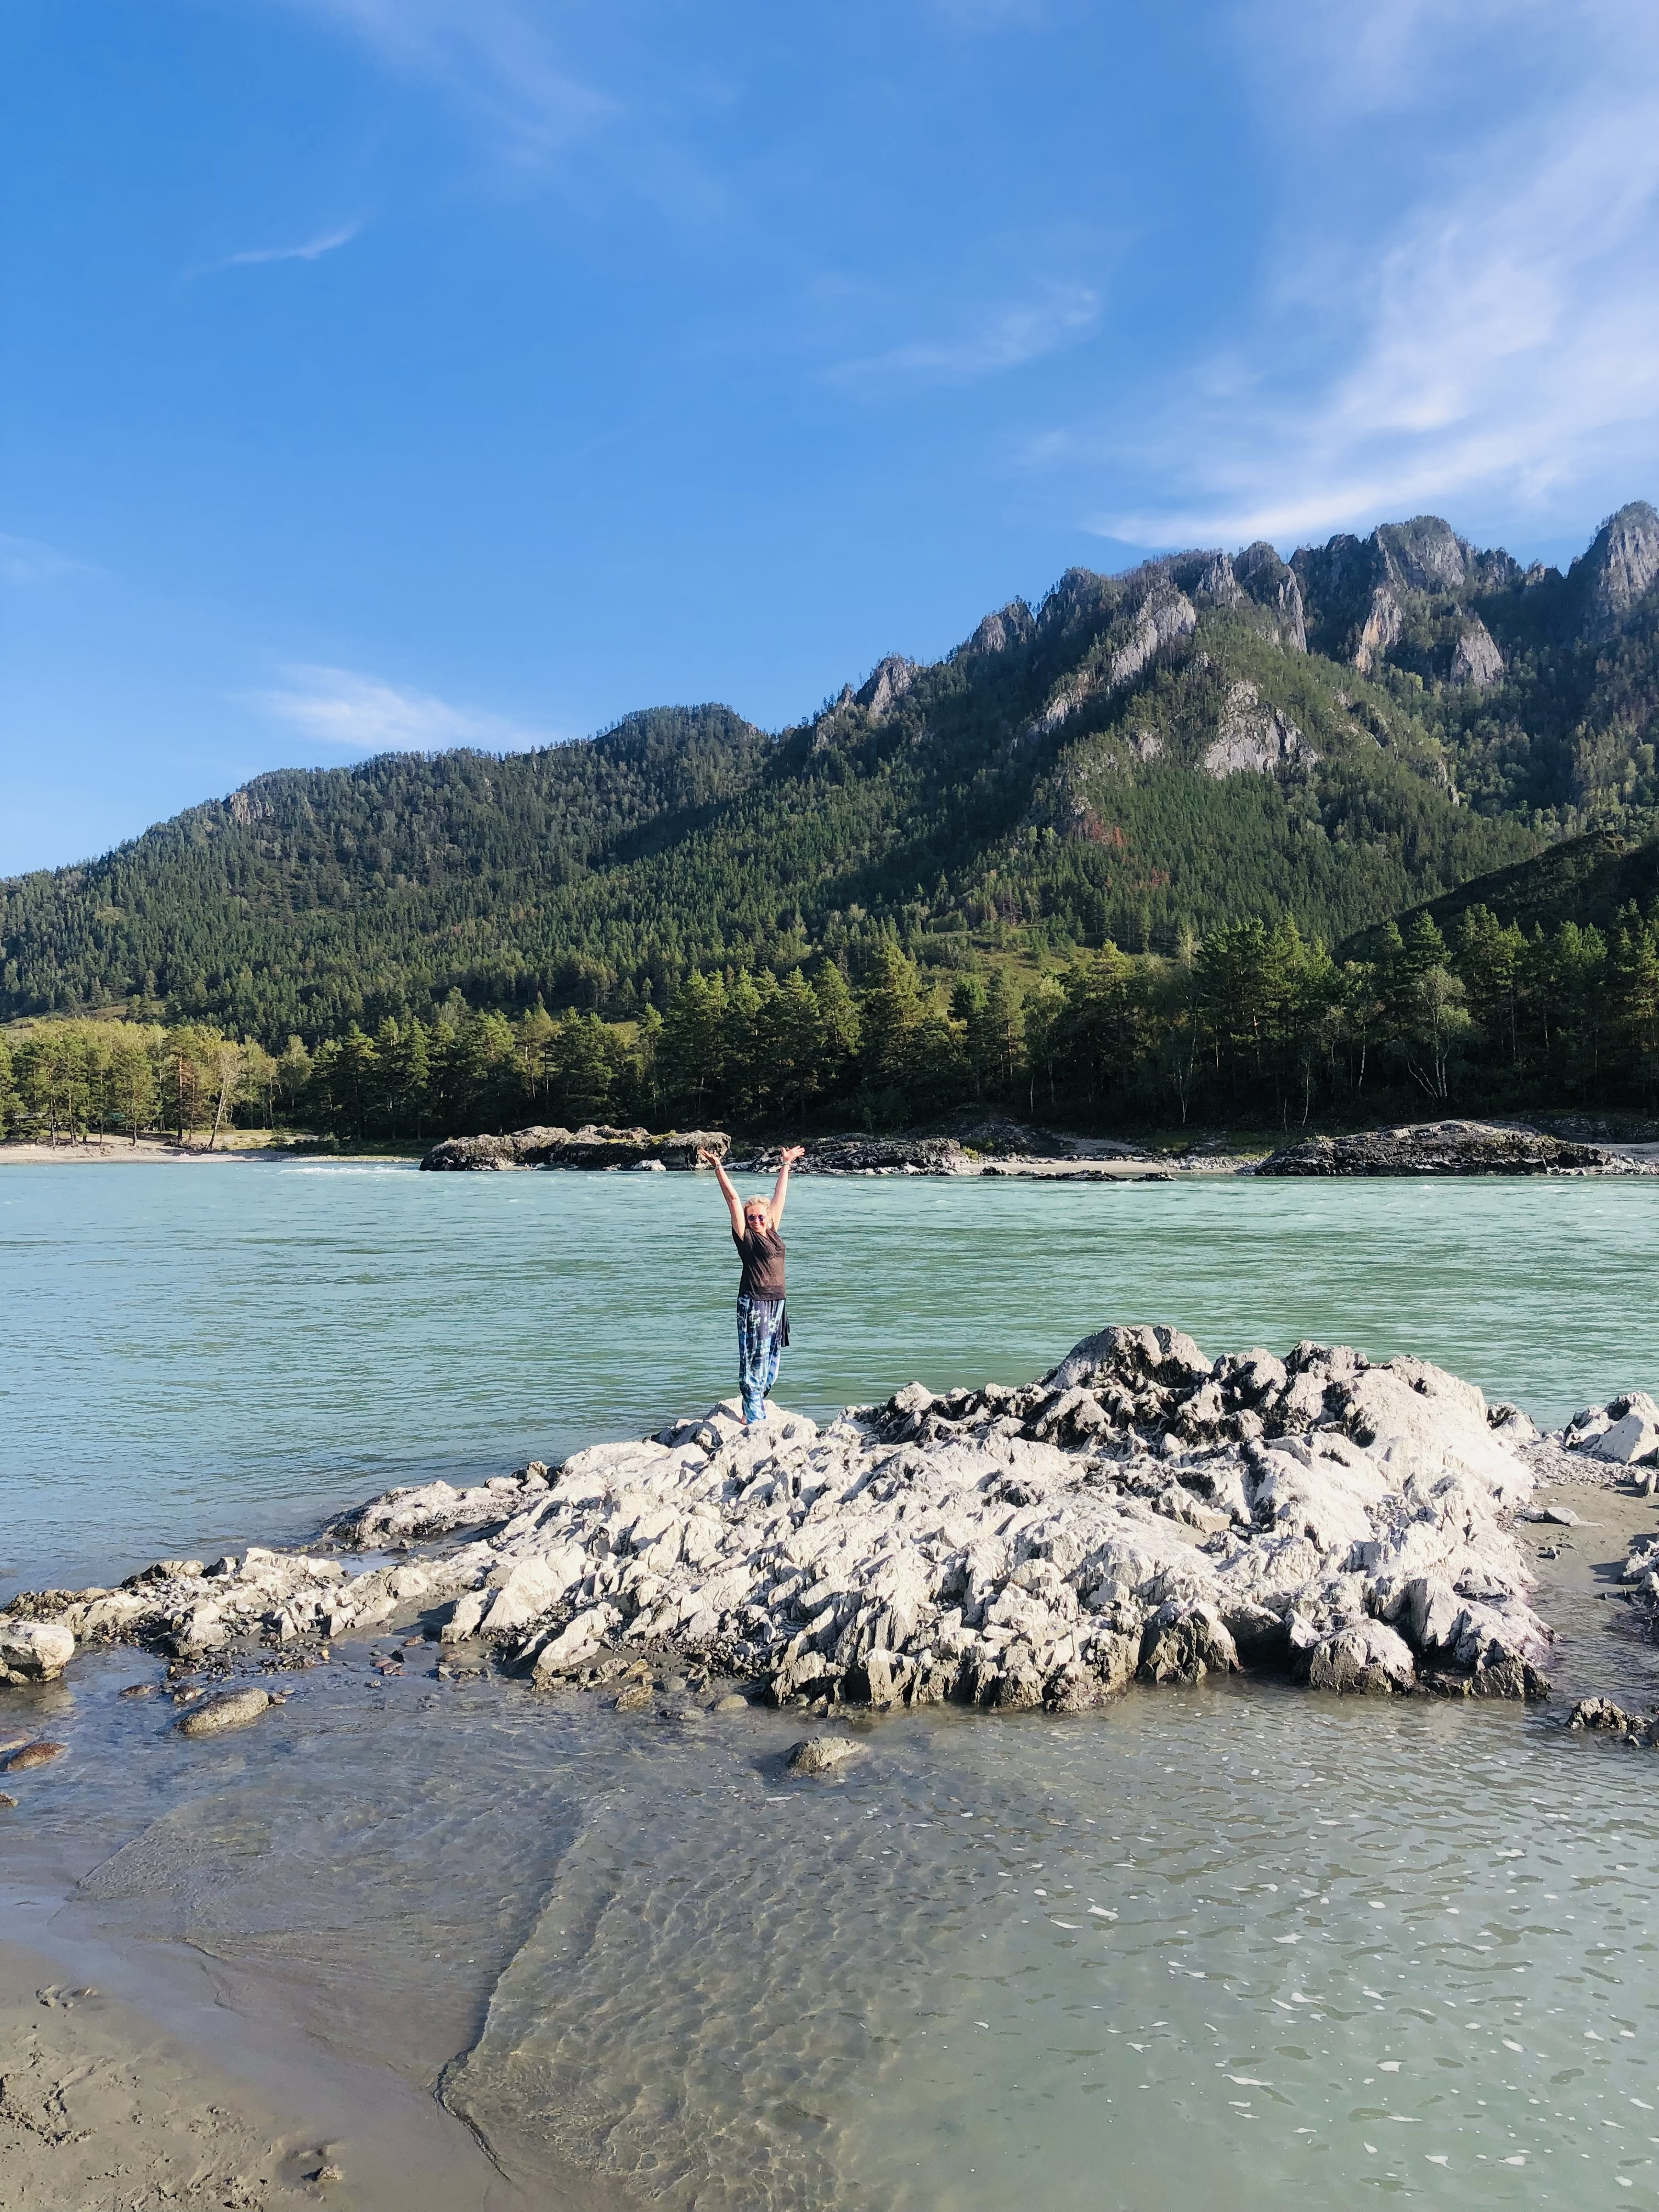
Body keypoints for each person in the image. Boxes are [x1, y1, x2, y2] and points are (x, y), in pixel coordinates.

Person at [697, 1144, 805, 1429]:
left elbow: (779, 1197)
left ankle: (749, 1406)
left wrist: (786, 1164)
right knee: (754, 1361)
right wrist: (718, 1167)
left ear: (768, 1218)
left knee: (771, 1365)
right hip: (754, 1303)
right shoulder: (746, 1237)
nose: (757, 1220)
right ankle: (755, 1421)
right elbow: (733, 1199)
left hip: (778, 1303)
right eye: (752, 1217)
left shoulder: (772, 1230)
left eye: (761, 1216)